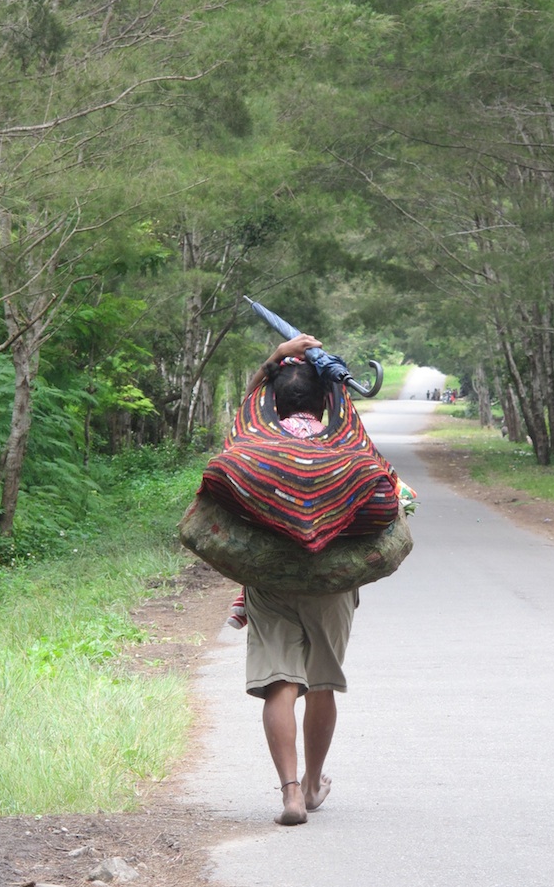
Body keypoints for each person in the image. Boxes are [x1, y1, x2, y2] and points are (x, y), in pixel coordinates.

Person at [239, 333, 356, 826]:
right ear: (327, 400)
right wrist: (335, 376)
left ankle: (288, 793)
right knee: (322, 684)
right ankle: (312, 784)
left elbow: (248, 403)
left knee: (279, 684)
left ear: (273, 399)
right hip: (330, 581)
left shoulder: (254, 443)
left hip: (268, 582)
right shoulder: (344, 447)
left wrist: (276, 357)